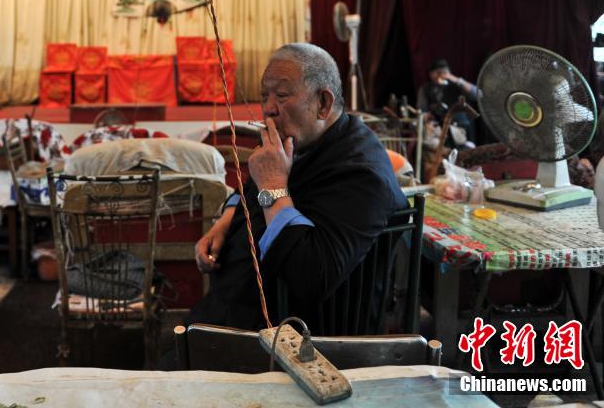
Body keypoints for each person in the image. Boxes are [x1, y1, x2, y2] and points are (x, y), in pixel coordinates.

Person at [186, 43, 407, 331]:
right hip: (231, 306)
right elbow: (254, 187)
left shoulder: (362, 174)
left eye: (281, 95)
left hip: (294, 335)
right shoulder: (299, 139)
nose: (268, 108)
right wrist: (225, 222)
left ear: (323, 104)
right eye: (264, 96)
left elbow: (313, 277)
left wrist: (275, 185)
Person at [416, 58, 478, 148]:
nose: (440, 75)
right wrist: (427, 116)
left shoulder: (457, 85)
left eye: (443, 72)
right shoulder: (425, 89)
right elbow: (422, 111)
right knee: (430, 140)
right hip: (437, 126)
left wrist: (455, 79)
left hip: (459, 126)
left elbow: (477, 94)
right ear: (430, 74)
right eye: (437, 72)